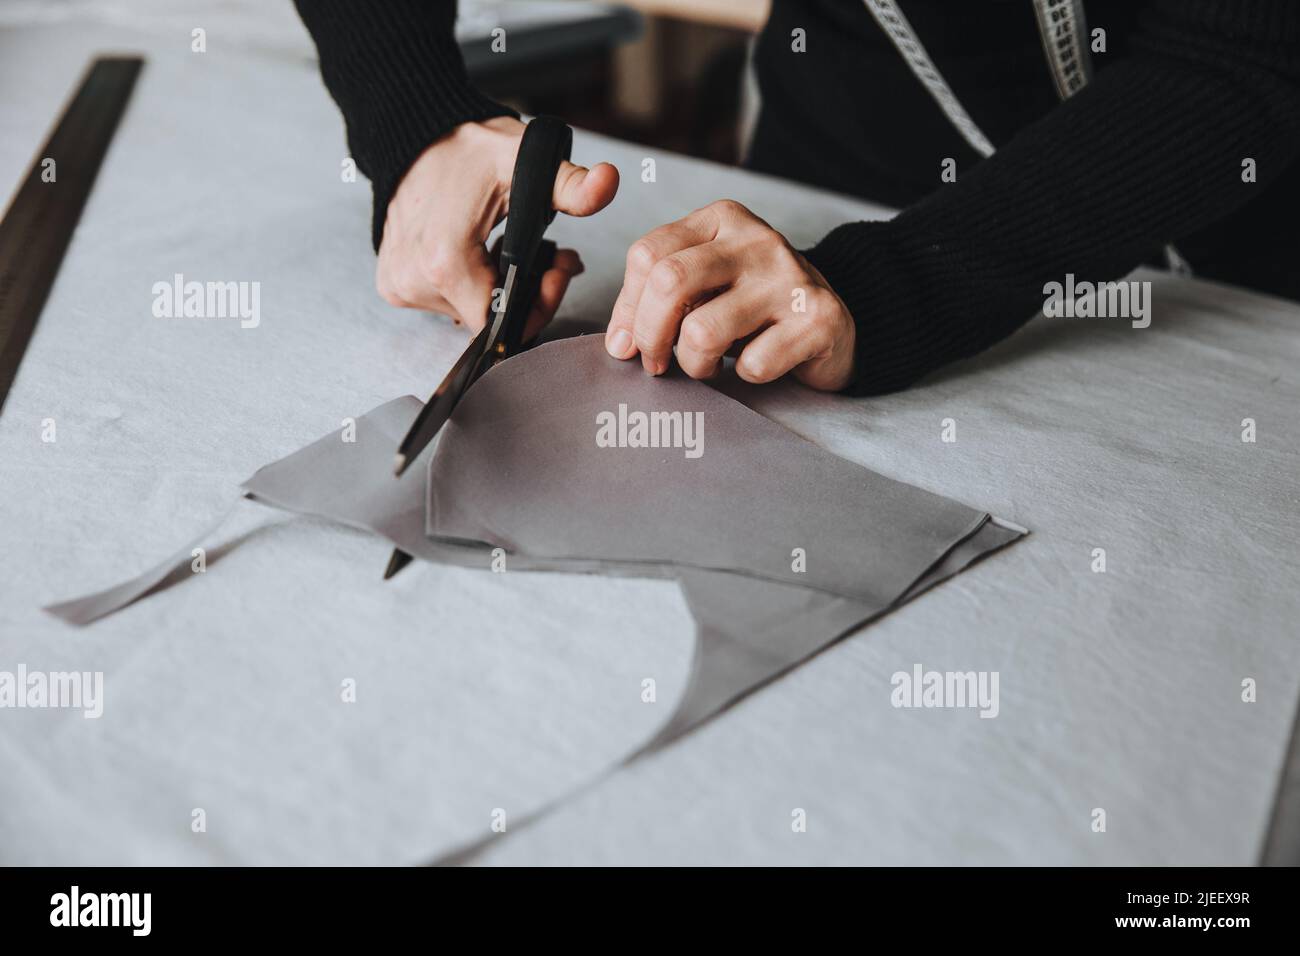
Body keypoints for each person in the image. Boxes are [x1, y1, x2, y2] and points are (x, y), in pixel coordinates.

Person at [293, 0, 1300, 395]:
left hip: (1246, 267)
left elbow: (1243, 53)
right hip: (831, 176)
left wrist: (904, 285)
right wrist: (411, 118)